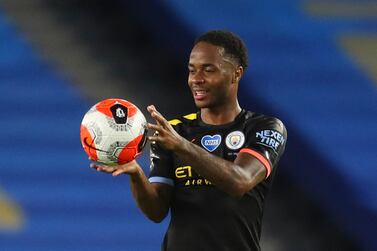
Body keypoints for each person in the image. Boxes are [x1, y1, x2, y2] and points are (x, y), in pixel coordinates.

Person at [91, 30, 287, 251]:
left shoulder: (264, 128)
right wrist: (136, 174)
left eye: (208, 70)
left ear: (236, 73)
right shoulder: (175, 131)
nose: (196, 79)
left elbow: (240, 181)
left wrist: (181, 146)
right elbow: (157, 211)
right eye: (192, 70)